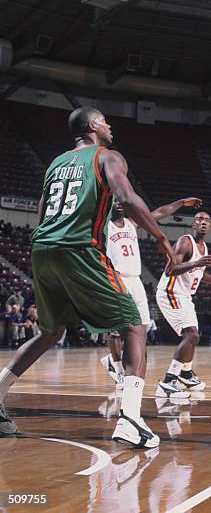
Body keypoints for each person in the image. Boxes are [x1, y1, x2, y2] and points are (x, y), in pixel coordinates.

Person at [0, 107, 177, 446]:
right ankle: (130, 419)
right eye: (106, 121)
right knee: (135, 326)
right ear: (94, 126)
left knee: (51, 332)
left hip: (42, 247)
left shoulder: (56, 163)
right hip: (78, 247)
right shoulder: (107, 156)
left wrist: (47, 244)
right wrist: (160, 237)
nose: (110, 127)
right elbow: (127, 197)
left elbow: (42, 208)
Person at [100, 196, 202, 389]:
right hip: (116, 278)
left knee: (142, 328)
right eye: (115, 203)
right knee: (116, 329)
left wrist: (180, 203)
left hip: (135, 280)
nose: (120, 205)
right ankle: (117, 369)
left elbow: (160, 212)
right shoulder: (103, 227)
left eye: (122, 202)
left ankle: (115, 364)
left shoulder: (132, 223)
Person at [156, 212, 211, 397]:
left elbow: (201, 275)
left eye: (207, 220)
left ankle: (186, 374)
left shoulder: (205, 248)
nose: (203, 222)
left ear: (210, 226)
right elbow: (170, 270)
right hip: (171, 292)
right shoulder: (185, 242)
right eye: (199, 220)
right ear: (193, 225)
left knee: (194, 335)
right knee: (191, 336)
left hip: (185, 296)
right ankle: (168, 382)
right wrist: (197, 262)